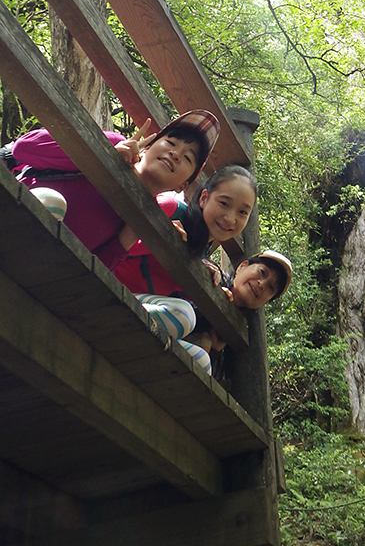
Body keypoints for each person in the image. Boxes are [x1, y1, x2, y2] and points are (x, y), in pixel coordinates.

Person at [12, 110, 220, 270]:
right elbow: (23, 148)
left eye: (187, 158)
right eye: (171, 142)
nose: (176, 153)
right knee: (52, 202)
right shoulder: (114, 144)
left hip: (44, 267)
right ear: (147, 147)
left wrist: (129, 237)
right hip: (15, 212)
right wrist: (102, 154)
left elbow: (94, 271)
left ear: (182, 186)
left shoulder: (144, 218)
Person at [114, 165, 258, 372]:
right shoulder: (171, 208)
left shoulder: (201, 253)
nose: (230, 218)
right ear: (204, 198)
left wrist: (209, 285)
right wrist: (160, 236)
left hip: (139, 309)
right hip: (108, 285)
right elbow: (114, 240)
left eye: (242, 212)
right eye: (224, 203)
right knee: (184, 315)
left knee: (201, 362)